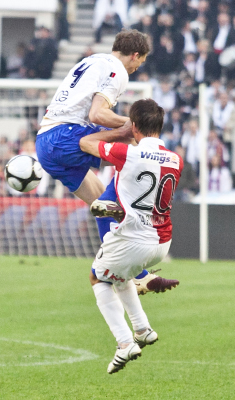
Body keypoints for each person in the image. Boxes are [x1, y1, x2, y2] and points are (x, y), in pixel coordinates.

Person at [35, 29, 178, 295]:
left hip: (45, 142)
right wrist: (131, 125)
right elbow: (98, 114)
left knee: (104, 204)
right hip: (65, 137)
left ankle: (134, 275)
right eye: (140, 61)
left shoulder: (91, 60)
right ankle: (154, 200)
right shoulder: (118, 70)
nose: (137, 68)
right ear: (134, 55)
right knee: (137, 138)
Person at [79, 99, 183, 374]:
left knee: (97, 278)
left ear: (134, 126)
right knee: (120, 275)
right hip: (162, 241)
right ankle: (143, 329)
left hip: (133, 238)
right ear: (160, 126)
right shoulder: (176, 159)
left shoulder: (128, 154)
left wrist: (119, 132)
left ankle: (124, 342)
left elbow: (86, 144)